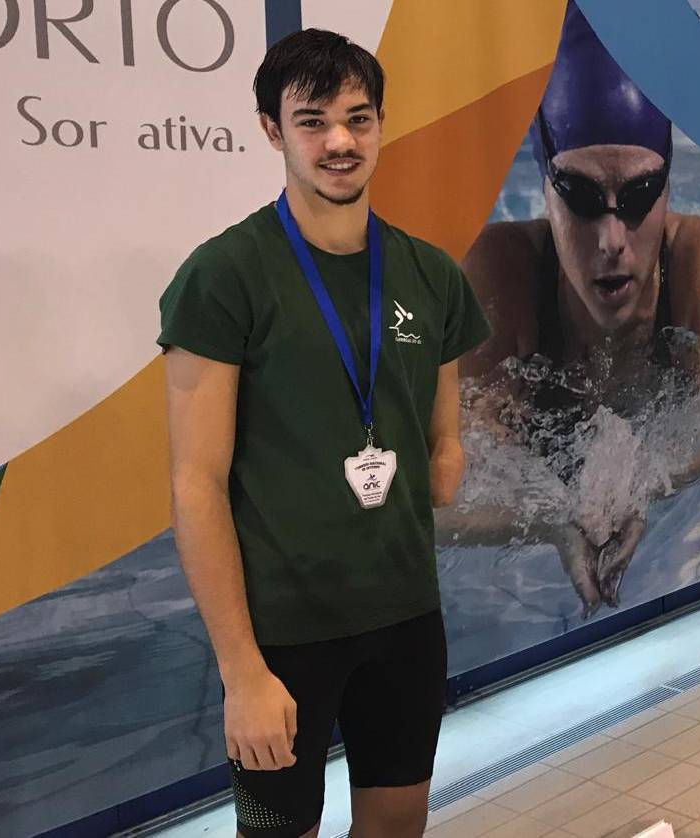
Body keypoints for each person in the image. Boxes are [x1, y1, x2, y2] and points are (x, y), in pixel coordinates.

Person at [159, 29, 488, 838]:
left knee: (397, 826)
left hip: (406, 619)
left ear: (379, 124)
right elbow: (195, 483)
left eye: (357, 117)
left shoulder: (430, 274)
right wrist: (241, 672)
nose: (340, 140)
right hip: (280, 636)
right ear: (273, 131)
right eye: (312, 121)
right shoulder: (224, 276)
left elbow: (444, 439)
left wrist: (442, 457)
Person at [443, 2, 700, 615]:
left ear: (669, 190)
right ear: (544, 193)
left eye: (638, 195)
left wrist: (650, 492)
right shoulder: (503, 271)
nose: (611, 239)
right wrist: (553, 522)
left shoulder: (695, 258)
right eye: (579, 196)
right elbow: (447, 486)